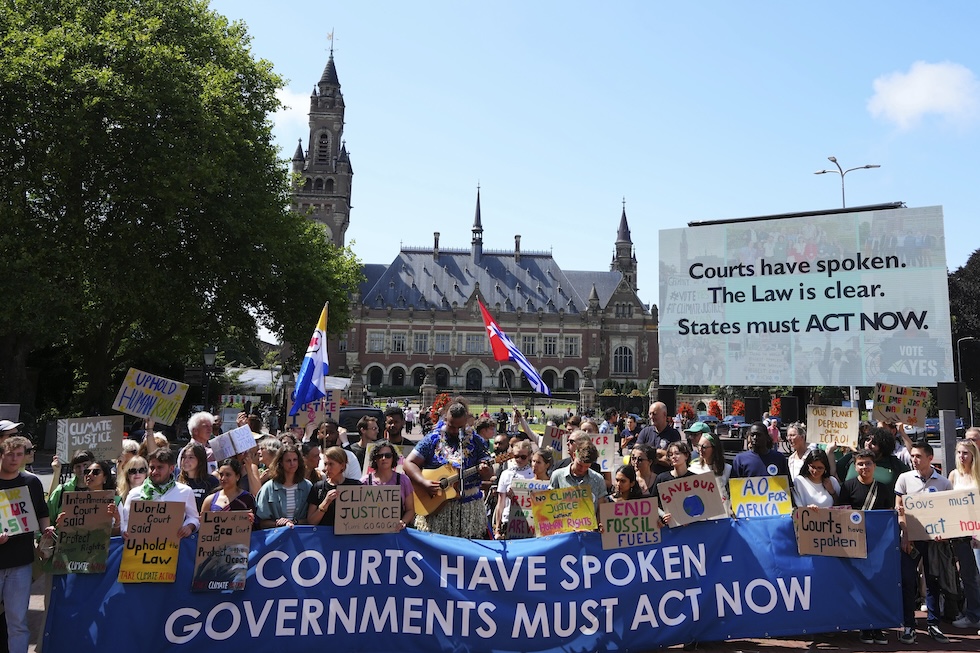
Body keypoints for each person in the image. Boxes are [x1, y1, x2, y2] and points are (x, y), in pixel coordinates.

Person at [403, 401, 493, 537]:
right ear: (445, 419)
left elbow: (488, 472)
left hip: (469, 508)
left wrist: (486, 471)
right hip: (437, 508)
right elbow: (408, 463)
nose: (456, 431)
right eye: (451, 426)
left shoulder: (476, 441)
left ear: (467, 422)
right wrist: (423, 482)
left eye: (460, 427)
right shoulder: (432, 439)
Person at [835, 449, 898, 646]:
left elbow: (889, 514)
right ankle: (864, 626)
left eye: (868, 464)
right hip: (855, 545)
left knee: (878, 584)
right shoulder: (847, 486)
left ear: (874, 466)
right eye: (860, 464)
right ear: (855, 467)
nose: (864, 467)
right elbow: (842, 514)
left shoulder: (884, 488)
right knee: (860, 586)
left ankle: (878, 626)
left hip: (878, 546)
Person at [894, 442, 951, 644]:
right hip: (911, 540)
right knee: (908, 581)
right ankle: (909, 625)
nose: (914, 460)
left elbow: (948, 513)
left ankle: (933, 623)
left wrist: (943, 533)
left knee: (932, 581)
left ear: (930, 458)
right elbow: (899, 510)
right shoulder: (904, 479)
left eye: (918, 456)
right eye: (912, 456)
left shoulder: (943, 483)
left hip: (934, 542)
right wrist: (905, 534)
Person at [0, 436, 52, 653]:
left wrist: (46, 534)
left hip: (21, 563)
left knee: (18, 622)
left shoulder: (31, 482)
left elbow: (42, 512)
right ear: (1, 454)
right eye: (10, 454)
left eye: (19, 454)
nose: (14, 459)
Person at [119, 448, 200, 537]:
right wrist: (125, 532)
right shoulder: (135, 494)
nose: (154, 472)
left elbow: (194, 518)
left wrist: (189, 527)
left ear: (171, 468)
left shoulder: (185, 491)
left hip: (172, 546)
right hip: (142, 547)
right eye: (152, 467)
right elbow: (125, 522)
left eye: (160, 467)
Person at [948, 439, 980, 629]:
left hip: (978, 532)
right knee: (968, 576)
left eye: (966, 453)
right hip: (961, 533)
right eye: (959, 452)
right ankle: (973, 615)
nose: (962, 456)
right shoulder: (953, 476)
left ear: (974, 455)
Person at [836, 427, 909, 493]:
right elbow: (834, 475)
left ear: (883, 446)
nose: (868, 443)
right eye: (867, 439)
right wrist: (829, 451)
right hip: (851, 507)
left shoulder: (895, 464)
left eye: (874, 442)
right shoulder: (851, 458)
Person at [255, 445, 312, 529]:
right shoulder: (268, 488)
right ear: (281, 462)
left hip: (301, 536)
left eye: (295, 460)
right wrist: (278, 523)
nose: (292, 464)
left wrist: (294, 522)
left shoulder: (307, 486)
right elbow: (261, 522)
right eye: (288, 461)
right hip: (276, 536)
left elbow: (312, 519)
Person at [360, 440, 414, 527]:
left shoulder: (404, 480)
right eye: (379, 456)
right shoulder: (364, 481)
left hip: (397, 533)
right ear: (374, 459)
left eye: (388, 456)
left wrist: (403, 522)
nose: (384, 458)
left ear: (393, 458)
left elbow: (410, 510)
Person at [307, 446, 363, 528]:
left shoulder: (355, 486)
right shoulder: (318, 487)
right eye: (325, 464)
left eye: (331, 464)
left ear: (342, 465)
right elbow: (311, 522)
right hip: (325, 537)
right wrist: (325, 503)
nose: (327, 468)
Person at [550, 442, 606, 513]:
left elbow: (601, 508)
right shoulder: (557, 476)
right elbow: (551, 503)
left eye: (586, 466)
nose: (582, 469)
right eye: (579, 465)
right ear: (574, 455)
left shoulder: (598, 480)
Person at [493, 440, 534, 537]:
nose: (519, 459)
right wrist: (497, 528)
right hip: (508, 519)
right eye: (516, 457)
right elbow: (500, 503)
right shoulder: (506, 474)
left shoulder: (534, 473)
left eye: (523, 457)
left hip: (529, 520)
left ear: (529, 456)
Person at [689, 432, 732, 512]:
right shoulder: (692, 469)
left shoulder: (727, 469)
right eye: (699, 446)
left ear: (714, 448)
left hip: (721, 514)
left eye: (704, 447)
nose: (700, 449)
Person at [636, 402, 682, 473]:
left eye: (654, 414)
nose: (651, 417)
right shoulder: (645, 432)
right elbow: (636, 451)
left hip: (665, 477)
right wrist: (660, 454)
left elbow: (673, 458)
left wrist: (651, 455)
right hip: (646, 477)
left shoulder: (673, 434)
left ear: (664, 414)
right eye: (650, 414)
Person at [47, 449, 95, 516]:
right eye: (78, 466)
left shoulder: (102, 489)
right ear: (73, 469)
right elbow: (49, 512)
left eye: (85, 465)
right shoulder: (61, 491)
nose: (82, 470)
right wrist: (57, 472)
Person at [177, 442, 219, 511]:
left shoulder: (212, 482)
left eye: (191, 457)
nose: (185, 461)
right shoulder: (178, 481)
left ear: (200, 460)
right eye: (183, 457)